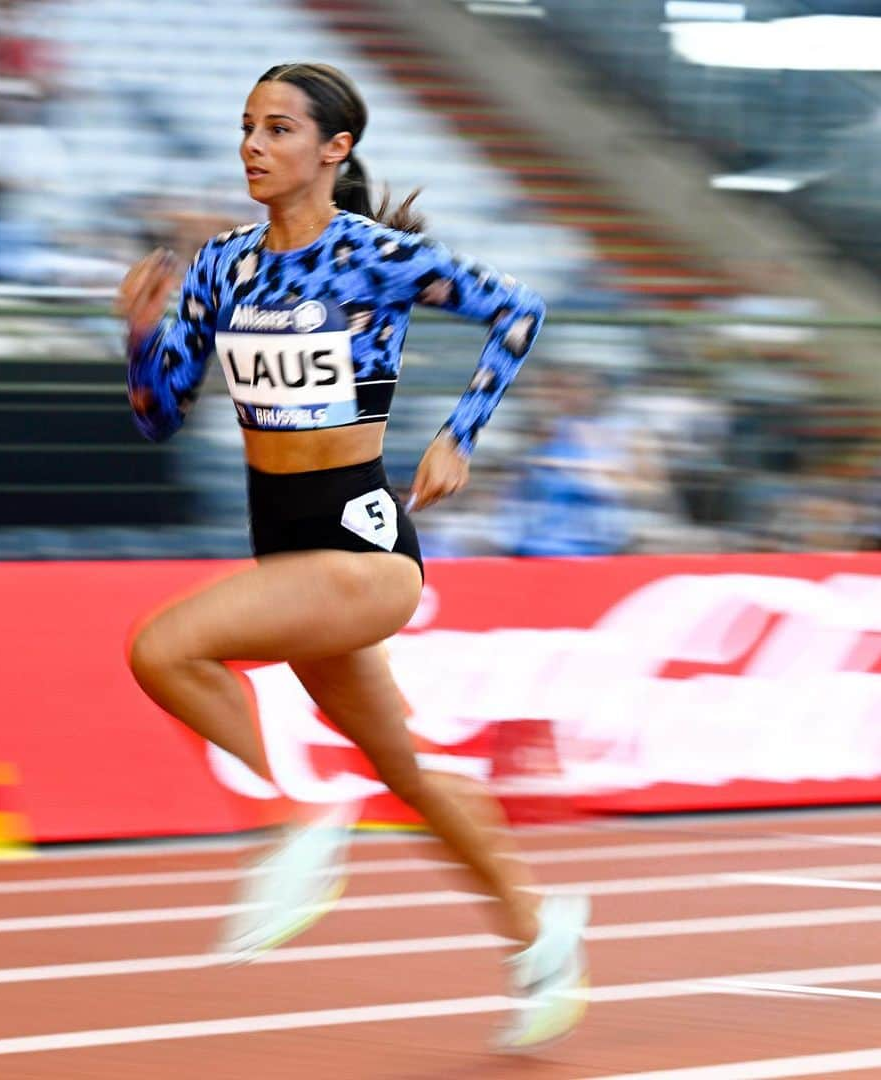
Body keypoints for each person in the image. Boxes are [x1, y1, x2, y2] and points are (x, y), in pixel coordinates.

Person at [118, 61, 589, 1052]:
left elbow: (519, 310)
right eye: (247, 126)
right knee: (405, 768)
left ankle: (299, 818)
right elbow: (162, 417)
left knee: (162, 649)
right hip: (284, 545)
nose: (253, 145)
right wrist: (138, 337)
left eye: (280, 129)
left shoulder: (375, 255)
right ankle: (540, 934)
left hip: (364, 549)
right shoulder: (222, 267)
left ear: (334, 151)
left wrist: (459, 433)